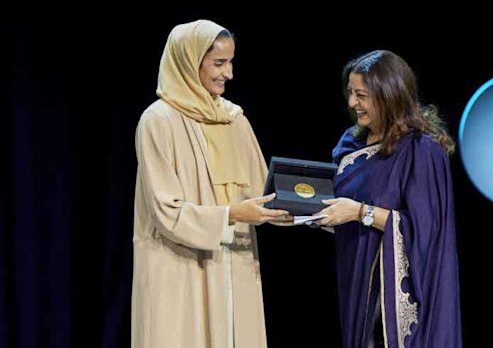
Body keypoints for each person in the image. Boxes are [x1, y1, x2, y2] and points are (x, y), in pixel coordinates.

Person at [131, 19, 289, 348]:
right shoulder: (158, 122)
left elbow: (266, 195)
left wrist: (309, 205)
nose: (228, 73)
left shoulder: (235, 121)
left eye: (230, 62)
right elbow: (166, 211)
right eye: (219, 63)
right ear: (190, 63)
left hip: (234, 265)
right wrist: (232, 214)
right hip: (179, 267)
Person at [316, 50, 462, 347]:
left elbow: (427, 231)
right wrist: (309, 213)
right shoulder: (351, 145)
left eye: (361, 95)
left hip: (399, 298)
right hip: (357, 287)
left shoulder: (421, 151)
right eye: (350, 93)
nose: (352, 103)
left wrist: (360, 212)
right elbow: (340, 207)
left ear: (389, 95)